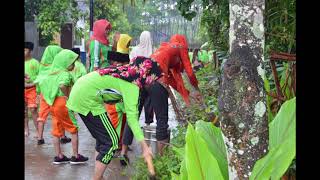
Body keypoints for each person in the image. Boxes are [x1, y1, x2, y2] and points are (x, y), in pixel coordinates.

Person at [66, 56, 160, 180]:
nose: (152, 83)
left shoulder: (127, 72)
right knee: (112, 142)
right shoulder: (132, 86)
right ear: (146, 75)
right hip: (87, 98)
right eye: (153, 79)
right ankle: (97, 178)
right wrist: (144, 146)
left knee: (103, 139)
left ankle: (99, 176)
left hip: (82, 92)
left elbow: (122, 102)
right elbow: (132, 119)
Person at [121, 34, 203, 158]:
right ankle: (161, 157)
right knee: (162, 118)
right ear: (183, 42)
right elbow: (189, 72)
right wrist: (197, 89)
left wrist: (188, 92)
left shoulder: (164, 49)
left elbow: (172, 81)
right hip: (156, 79)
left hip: (142, 77)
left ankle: (123, 152)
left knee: (133, 115)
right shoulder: (180, 47)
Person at [37, 49, 88, 164]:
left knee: (56, 131)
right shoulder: (64, 74)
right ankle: (75, 156)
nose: (74, 65)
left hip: (53, 104)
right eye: (71, 63)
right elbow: (62, 85)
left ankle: (59, 156)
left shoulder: (50, 73)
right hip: (62, 103)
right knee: (73, 129)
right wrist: (68, 96)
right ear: (64, 62)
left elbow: (42, 85)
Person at [36, 45, 72, 145]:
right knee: (59, 115)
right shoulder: (56, 67)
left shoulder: (42, 66)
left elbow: (39, 80)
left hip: (44, 94)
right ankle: (62, 136)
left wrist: (38, 93)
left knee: (42, 115)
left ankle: (40, 138)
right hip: (55, 95)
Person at [25, 42, 40, 137]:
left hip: (32, 89)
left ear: (30, 51)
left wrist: (37, 90)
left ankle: (39, 131)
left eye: (25, 50)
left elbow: (40, 78)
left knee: (33, 110)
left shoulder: (35, 63)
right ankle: (26, 129)